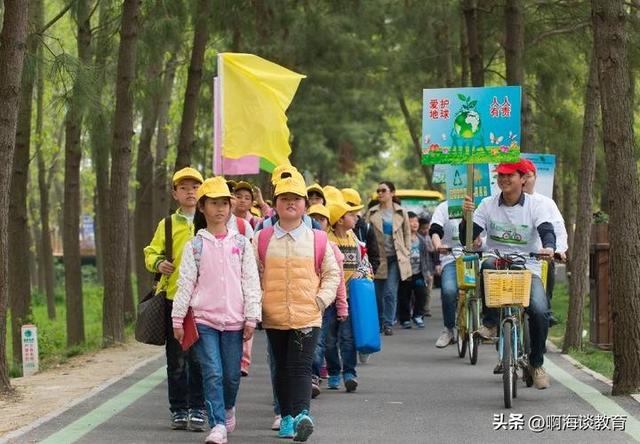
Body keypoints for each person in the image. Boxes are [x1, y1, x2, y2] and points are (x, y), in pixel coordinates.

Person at [172, 176, 262, 444]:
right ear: (202, 207)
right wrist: (177, 319)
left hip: (235, 322)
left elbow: (250, 282)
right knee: (213, 371)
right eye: (213, 203)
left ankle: (228, 407)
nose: (220, 208)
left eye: (225, 203)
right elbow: (185, 283)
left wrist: (251, 317)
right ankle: (218, 425)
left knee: (232, 376)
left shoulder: (242, 244)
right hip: (205, 321)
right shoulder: (195, 246)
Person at [254, 176, 340, 441]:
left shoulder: (318, 239)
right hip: (274, 314)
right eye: (285, 199)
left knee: (301, 366)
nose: (291, 203)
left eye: (296, 199)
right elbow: (251, 276)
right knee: (280, 366)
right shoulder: (261, 238)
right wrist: (259, 302)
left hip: (308, 315)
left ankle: (303, 414)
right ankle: (287, 417)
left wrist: (320, 301)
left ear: (305, 205)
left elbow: (331, 274)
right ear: (276, 204)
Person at [459, 159, 556, 390]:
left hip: (527, 267)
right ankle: (491, 322)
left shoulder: (536, 206)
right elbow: (468, 240)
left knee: (540, 312)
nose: (504, 179)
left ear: (523, 179)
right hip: (498, 263)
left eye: (509, 175)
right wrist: (466, 218)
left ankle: (536, 363)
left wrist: (549, 248)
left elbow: (546, 230)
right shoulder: (486, 204)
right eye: (500, 175)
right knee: (487, 263)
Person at [143, 167, 206, 431]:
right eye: (184, 187)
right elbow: (151, 252)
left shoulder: (209, 221)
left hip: (204, 301)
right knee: (177, 358)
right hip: (173, 299)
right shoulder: (167, 224)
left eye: (194, 187)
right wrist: (158, 263)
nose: (190, 191)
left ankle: (199, 408)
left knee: (200, 358)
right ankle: (179, 409)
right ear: (174, 193)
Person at [324, 199, 370, 392]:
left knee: (348, 338)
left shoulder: (355, 239)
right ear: (340, 220)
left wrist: (364, 273)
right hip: (330, 298)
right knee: (328, 338)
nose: (355, 217)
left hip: (351, 297)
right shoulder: (327, 241)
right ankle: (334, 371)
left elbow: (365, 262)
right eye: (350, 215)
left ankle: (350, 372)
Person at [521, 158, 568, 327]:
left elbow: (558, 230)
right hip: (512, 256)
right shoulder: (501, 202)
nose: (525, 180)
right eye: (521, 175)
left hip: (540, 257)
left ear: (535, 177)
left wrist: (559, 250)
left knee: (548, 272)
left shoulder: (546, 203)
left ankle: (545, 311)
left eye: (528, 175)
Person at [307, 203, 348, 398]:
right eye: (312, 218)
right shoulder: (302, 244)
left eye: (321, 219)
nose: (316, 223)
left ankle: (323, 373)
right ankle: (309, 377)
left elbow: (338, 281)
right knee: (310, 344)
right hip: (304, 303)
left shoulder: (332, 248)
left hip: (326, 305)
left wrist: (342, 306)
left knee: (324, 343)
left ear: (328, 224)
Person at [366, 181, 412, 336]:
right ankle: (378, 322)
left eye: (383, 190)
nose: (380, 193)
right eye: (378, 191)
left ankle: (388, 323)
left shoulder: (401, 212)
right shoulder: (372, 212)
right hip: (378, 259)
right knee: (378, 294)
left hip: (396, 258)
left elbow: (407, 233)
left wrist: (407, 250)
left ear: (392, 193)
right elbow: (366, 235)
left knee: (390, 292)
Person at [429, 201, 462, 348]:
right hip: (452, 258)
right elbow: (435, 228)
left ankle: (490, 325)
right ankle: (449, 329)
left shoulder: (483, 204)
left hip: (479, 257)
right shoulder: (444, 207)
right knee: (448, 291)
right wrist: (438, 245)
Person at [397, 212, 435, 329]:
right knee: (404, 296)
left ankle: (418, 315)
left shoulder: (421, 239)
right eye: (411, 221)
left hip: (419, 272)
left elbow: (426, 257)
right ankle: (405, 319)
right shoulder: (402, 239)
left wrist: (428, 272)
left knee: (422, 294)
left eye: (416, 221)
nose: (414, 224)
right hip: (405, 273)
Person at [342, 187, 380, 275]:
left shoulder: (365, 228)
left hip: (358, 284)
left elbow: (374, 256)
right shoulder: (333, 227)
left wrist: (367, 275)